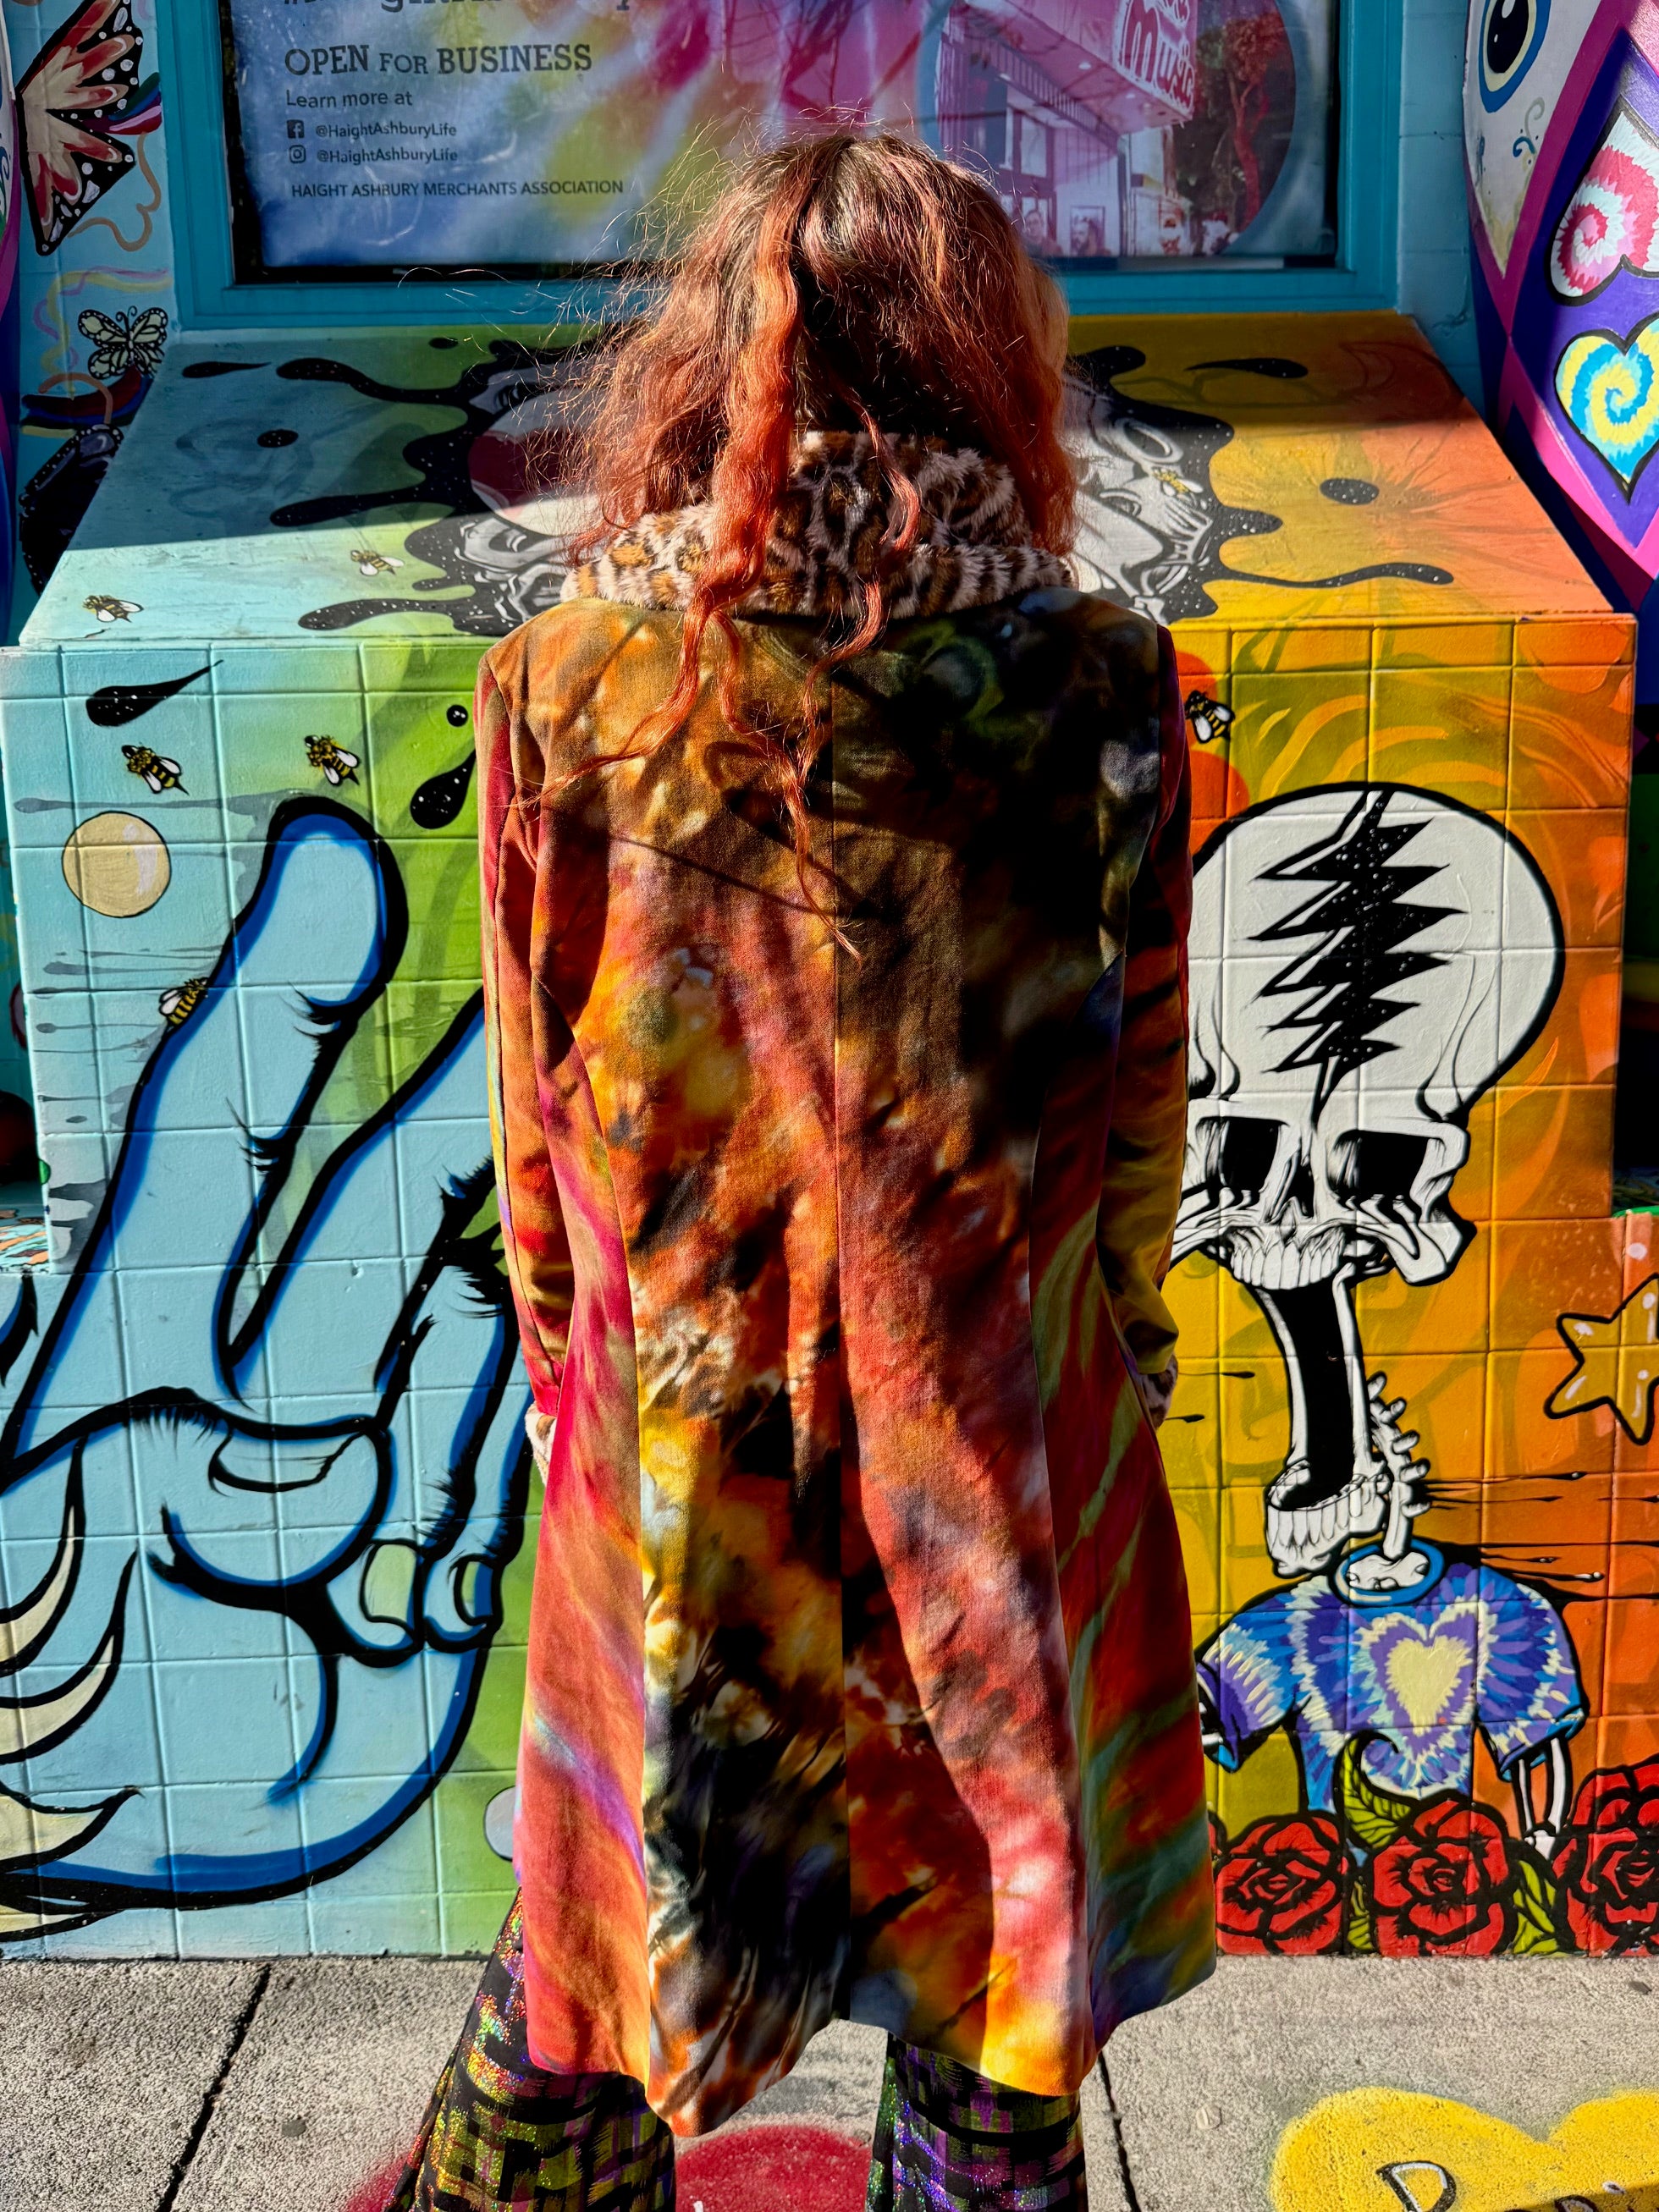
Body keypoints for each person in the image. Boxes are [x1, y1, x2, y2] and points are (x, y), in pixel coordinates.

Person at [389, 129, 1213, 2212]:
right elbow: (1136, 1109)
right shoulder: (1100, 686)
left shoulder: (570, 686)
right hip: (995, 1445)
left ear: (704, 361)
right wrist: (1111, 1355)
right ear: (983, 363)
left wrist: (579, 1379)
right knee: (992, 1991)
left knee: (590, 1975)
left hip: (682, 1458)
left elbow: (538, 1120)